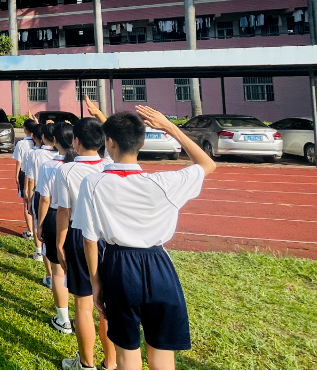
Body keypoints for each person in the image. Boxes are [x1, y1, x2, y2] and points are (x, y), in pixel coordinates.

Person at [73, 107, 217, 371]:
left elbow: (89, 240)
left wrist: (95, 282)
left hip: (118, 267)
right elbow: (208, 164)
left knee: (127, 355)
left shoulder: (93, 184)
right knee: (162, 354)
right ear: (141, 143)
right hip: (159, 266)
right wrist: (171, 128)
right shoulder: (165, 182)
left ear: (109, 142)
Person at [54, 117, 115, 371]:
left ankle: (86, 364)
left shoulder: (66, 171)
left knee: (83, 303)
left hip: (79, 236)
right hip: (109, 239)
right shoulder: (110, 165)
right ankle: (111, 363)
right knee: (107, 306)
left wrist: (59, 244)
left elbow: (63, 211)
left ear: (76, 141)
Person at [35, 121, 75, 335]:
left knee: (58, 273)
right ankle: (84, 314)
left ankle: (63, 320)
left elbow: (45, 199)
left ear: (55, 141)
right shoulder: (84, 165)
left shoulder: (50, 166)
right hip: (79, 221)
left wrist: (40, 225)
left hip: (54, 217)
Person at [25, 122, 60, 265]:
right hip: (59, 195)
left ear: (43, 137)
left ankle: (39, 252)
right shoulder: (62, 153)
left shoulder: (35, 154)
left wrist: (29, 197)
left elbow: (31, 179)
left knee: (38, 224)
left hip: (40, 194)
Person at [13, 119, 39, 239]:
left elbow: (19, 162)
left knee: (27, 203)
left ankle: (30, 231)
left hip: (25, 174)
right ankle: (38, 229)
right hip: (39, 174)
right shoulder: (39, 142)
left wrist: (16, 176)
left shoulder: (21, 144)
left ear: (25, 129)